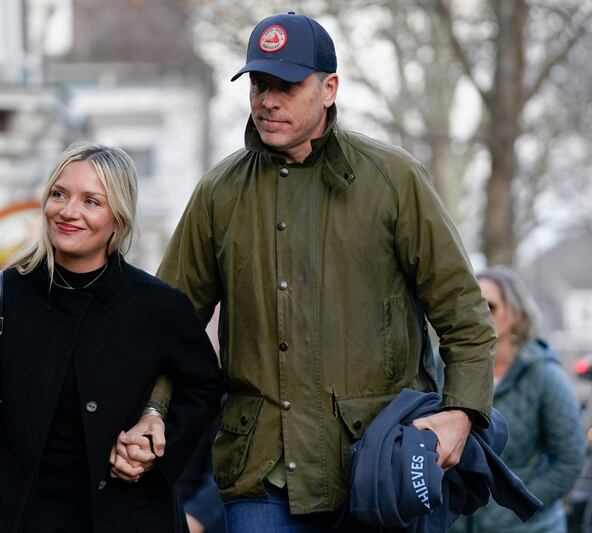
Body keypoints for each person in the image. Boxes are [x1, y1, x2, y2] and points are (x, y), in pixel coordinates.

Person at [112, 11, 497, 532]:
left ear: (329, 88)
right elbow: (167, 325)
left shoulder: (394, 181)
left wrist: (460, 415)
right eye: (259, 84)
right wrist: (152, 411)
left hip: (376, 463)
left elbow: (465, 317)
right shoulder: (219, 193)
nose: (269, 99)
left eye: (288, 85)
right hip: (260, 471)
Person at [0, 142, 223, 533]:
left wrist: (157, 446)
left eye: (91, 201)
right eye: (59, 194)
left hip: (135, 519)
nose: (68, 211)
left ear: (118, 219)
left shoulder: (159, 306)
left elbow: (206, 387)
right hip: (26, 519)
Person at [450, 266, 585, 532]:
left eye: (488, 305)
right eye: (471, 304)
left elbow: (568, 461)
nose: (477, 313)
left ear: (516, 315)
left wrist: (514, 505)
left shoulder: (545, 376)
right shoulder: (443, 367)